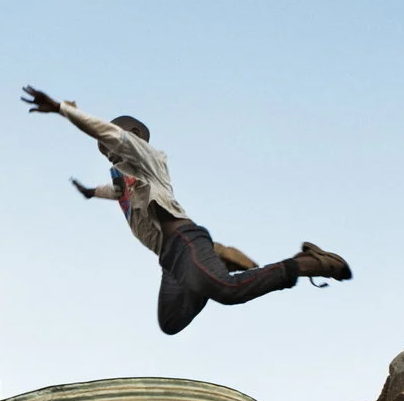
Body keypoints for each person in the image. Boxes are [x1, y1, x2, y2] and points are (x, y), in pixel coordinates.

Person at [22, 84, 351, 335]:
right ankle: (213, 262)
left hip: (184, 239)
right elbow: (117, 191)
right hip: (170, 259)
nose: (107, 154)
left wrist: (62, 109)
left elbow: (104, 131)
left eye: (107, 149)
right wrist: (91, 193)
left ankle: (306, 263)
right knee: (171, 321)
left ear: (133, 136)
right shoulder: (125, 176)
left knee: (228, 290)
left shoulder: (144, 154)